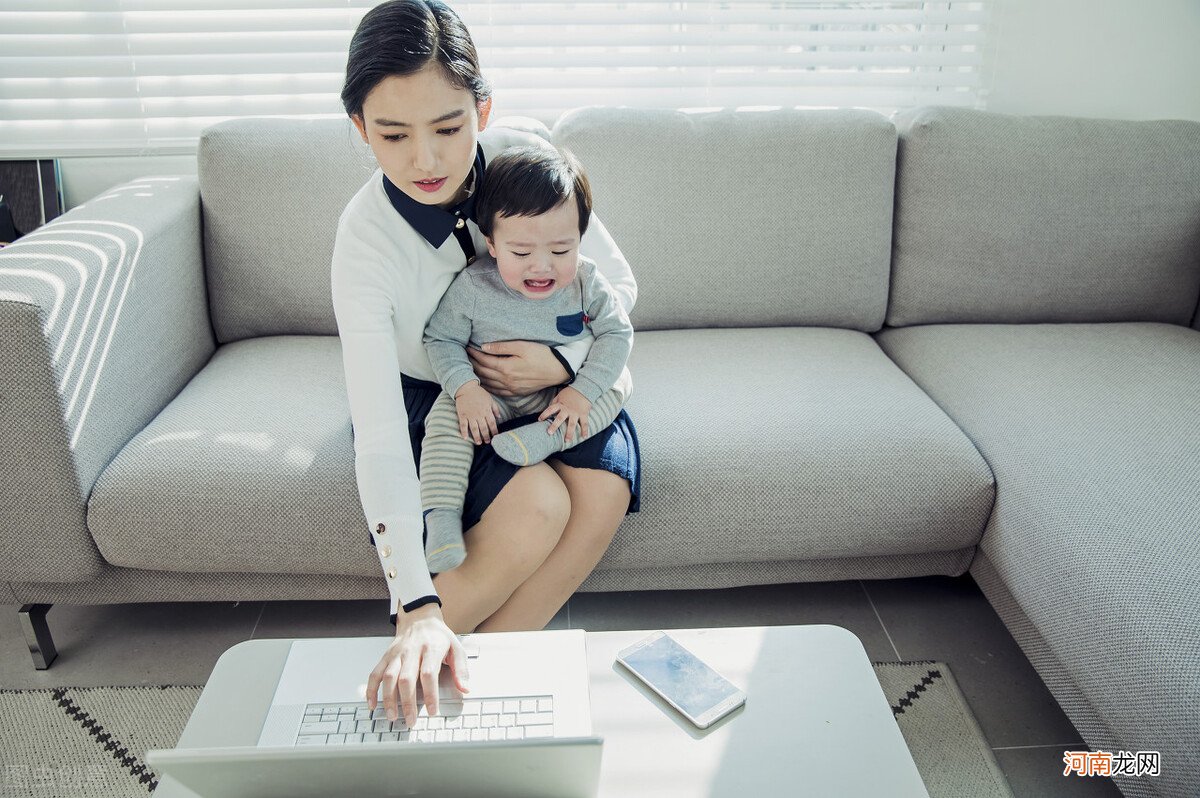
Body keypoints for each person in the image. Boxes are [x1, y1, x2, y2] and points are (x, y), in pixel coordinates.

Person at [331, 0, 641, 730]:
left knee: (601, 492)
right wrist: (415, 601)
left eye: (449, 128)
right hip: (434, 391)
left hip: (555, 378)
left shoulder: (522, 156)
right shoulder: (364, 241)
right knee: (540, 505)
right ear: (358, 130)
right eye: (392, 134)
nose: (426, 161)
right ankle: (410, 664)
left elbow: (615, 286)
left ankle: (468, 693)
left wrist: (557, 362)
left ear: (483, 108)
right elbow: (376, 435)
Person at [420, 145, 634, 573]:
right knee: (444, 422)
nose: (542, 267)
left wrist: (579, 392)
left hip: (556, 396)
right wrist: (466, 390)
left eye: (561, 250)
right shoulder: (473, 288)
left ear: (579, 237)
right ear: (492, 243)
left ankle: (546, 438)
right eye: (521, 253)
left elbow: (616, 332)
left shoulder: (588, 280)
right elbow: (439, 338)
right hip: (491, 395)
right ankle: (441, 519)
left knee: (613, 389)